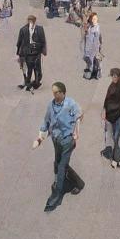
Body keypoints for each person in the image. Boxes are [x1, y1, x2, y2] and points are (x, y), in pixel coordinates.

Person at [33, 81, 84, 213]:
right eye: (53, 92)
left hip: (67, 141)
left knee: (61, 167)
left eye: (56, 92)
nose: (54, 95)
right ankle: (79, 183)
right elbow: (46, 122)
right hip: (56, 140)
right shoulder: (51, 105)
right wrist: (40, 138)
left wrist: (76, 132)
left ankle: (56, 195)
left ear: (63, 93)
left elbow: (79, 114)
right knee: (59, 163)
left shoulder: (70, 104)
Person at [16, 13, 46, 91]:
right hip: (27, 52)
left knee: (35, 68)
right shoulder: (23, 29)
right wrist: (19, 53)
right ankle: (29, 83)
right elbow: (19, 42)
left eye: (31, 20)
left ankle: (35, 82)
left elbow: (43, 40)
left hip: (36, 52)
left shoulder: (39, 29)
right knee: (28, 68)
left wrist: (43, 50)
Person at [82, 12, 103, 80]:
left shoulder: (96, 27)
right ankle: (90, 73)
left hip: (94, 46)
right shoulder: (90, 26)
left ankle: (96, 74)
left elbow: (99, 37)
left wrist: (98, 47)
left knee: (96, 60)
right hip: (88, 46)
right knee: (89, 60)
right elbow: (86, 36)